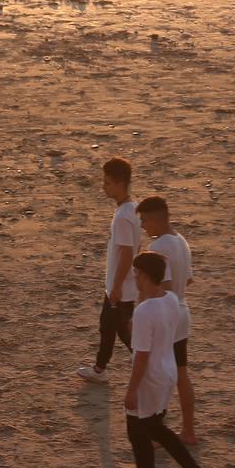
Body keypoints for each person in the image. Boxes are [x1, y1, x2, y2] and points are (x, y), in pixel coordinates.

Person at [120, 251, 204, 468]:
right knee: (154, 428)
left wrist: (131, 389)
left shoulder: (145, 312)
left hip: (150, 378)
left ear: (144, 276)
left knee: (137, 431)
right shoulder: (170, 299)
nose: (135, 279)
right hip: (167, 374)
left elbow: (142, 356)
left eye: (136, 274)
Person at [138, 195, 196, 444]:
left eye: (144, 220)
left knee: (155, 374)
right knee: (181, 373)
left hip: (166, 316)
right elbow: (188, 280)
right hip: (183, 313)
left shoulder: (159, 247)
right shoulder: (180, 240)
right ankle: (188, 430)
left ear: (154, 219)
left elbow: (166, 284)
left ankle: (155, 431)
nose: (142, 226)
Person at [77, 157, 139, 384]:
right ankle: (101, 368)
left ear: (120, 183)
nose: (103, 187)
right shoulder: (134, 208)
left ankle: (145, 365)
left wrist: (116, 287)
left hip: (120, 286)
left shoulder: (123, 216)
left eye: (107, 183)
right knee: (109, 327)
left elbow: (126, 253)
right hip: (124, 284)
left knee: (121, 331)